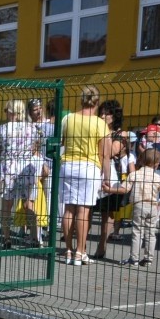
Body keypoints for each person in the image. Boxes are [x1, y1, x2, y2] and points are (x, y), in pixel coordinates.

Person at [60, 85, 111, 266]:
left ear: (81, 100)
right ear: (96, 102)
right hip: (89, 167)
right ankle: (80, 252)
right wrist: (107, 177)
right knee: (83, 211)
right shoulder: (100, 123)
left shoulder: (68, 119)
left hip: (67, 165)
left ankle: (67, 250)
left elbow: (63, 142)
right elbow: (105, 154)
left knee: (69, 209)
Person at [103, 149, 160, 267]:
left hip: (139, 205)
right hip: (153, 206)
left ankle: (134, 259)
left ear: (141, 160)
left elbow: (125, 189)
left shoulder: (134, 174)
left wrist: (109, 190)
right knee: (151, 232)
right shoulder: (158, 176)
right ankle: (148, 259)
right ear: (157, 163)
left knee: (137, 232)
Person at [0, 99, 35, 248]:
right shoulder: (32, 128)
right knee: (28, 202)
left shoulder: (2, 129)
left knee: (7, 205)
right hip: (25, 167)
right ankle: (34, 236)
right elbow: (33, 148)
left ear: (12, 112)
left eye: (6, 110)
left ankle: (6, 238)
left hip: (8, 168)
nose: (5, 113)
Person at [93, 100, 127, 259]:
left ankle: (102, 244)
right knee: (87, 212)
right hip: (93, 173)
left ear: (114, 116)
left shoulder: (120, 134)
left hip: (111, 178)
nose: (103, 115)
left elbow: (112, 151)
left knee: (108, 213)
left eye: (107, 113)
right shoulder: (96, 130)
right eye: (101, 112)